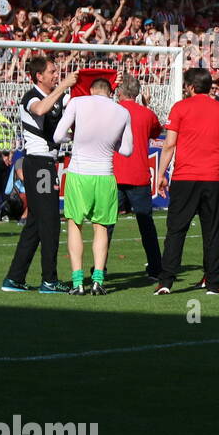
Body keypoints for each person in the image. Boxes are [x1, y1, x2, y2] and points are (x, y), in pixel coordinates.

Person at [154, 68, 219, 295]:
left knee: (176, 230)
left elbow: (169, 144)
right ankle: (214, 282)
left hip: (185, 177)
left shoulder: (180, 108)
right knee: (212, 232)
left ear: (189, 87)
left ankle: (166, 281)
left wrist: (161, 173)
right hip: (213, 177)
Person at [1, 56, 77, 293]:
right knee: (51, 221)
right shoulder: (31, 96)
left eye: (57, 71)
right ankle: (49, 280)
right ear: (38, 76)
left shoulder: (57, 98)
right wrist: (64, 86)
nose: (56, 75)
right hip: (39, 164)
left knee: (34, 224)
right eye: (52, 72)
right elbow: (41, 109)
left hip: (46, 163)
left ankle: (14, 278)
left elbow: (68, 116)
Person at [52, 76, 134, 294]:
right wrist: (109, 142)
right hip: (105, 174)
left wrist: (75, 136)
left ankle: (78, 282)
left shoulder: (78, 102)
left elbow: (58, 135)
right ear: (111, 92)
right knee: (101, 227)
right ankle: (98, 280)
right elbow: (127, 150)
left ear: (90, 90)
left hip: (79, 174)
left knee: (74, 225)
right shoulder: (122, 112)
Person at [110, 73, 165, 279]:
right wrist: (146, 106)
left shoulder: (112, 111)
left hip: (114, 174)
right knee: (146, 225)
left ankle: (100, 268)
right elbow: (155, 131)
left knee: (106, 224)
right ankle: (155, 267)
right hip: (139, 175)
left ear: (120, 92)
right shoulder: (146, 114)